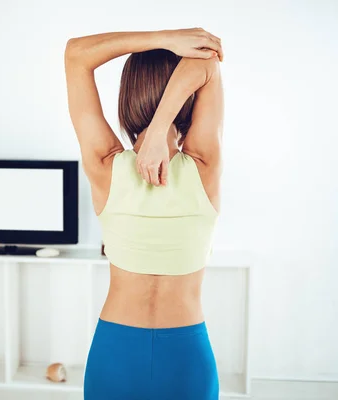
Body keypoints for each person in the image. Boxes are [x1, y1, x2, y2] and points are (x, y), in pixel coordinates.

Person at [64, 28, 224, 400]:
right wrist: (161, 125)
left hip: (116, 353)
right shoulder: (204, 166)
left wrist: (164, 39)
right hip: (186, 358)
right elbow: (210, 65)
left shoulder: (105, 166)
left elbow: (76, 55)